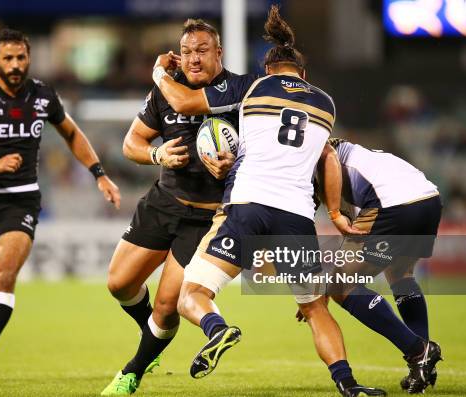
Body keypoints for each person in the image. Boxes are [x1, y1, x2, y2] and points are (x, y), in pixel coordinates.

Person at [153, 6, 386, 397]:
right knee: (314, 309)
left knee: (191, 294)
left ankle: (218, 329)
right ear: (303, 74)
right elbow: (324, 159)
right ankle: (348, 384)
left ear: (269, 67)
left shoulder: (254, 87)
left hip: (247, 206)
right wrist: (333, 211)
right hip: (295, 217)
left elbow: (184, 104)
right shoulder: (325, 104)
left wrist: (160, 73)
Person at [0, 28, 120, 387]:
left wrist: (99, 174)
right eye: (7, 58)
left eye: (20, 57)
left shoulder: (42, 96)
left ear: (28, 58)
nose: (15, 64)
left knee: (5, 273)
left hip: (23, 198)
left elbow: (71, 132)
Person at [101, 19, 238, 395]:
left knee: (168, 305)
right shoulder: (165, 92)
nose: (194, 58)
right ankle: (153, 337)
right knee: (119, 283)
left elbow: (257, 150)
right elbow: (132, 143)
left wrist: (234, 164)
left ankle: (133, 372)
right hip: (163, 202)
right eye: (188, 51)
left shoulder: (236, 90)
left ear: (219, 53)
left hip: (205, 216)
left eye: (203, 50)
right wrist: (157, 153)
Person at [317, 138, 443, 394]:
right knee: (400, 274)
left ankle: (417, 350)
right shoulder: (355, 154)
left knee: (340, 287)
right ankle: (421, 365)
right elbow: (353, 230)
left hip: (393, 204)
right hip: (428, 198)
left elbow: (349, 228)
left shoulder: (318, 159)